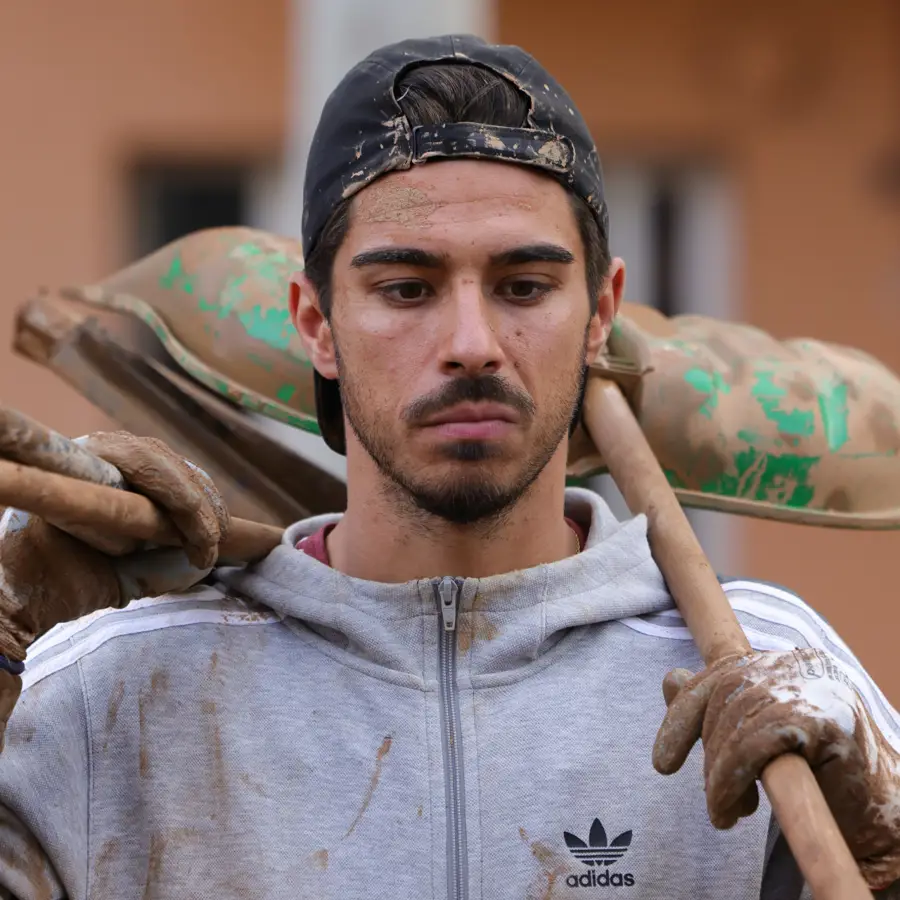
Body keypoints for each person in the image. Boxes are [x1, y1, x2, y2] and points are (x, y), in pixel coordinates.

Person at [0, 35, 897, 900]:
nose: (472, 345)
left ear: (601, 312)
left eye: (524, 287)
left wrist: (888, 843)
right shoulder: (116, 688)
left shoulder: (768, 672)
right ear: (314, 322)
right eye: (406, 289)